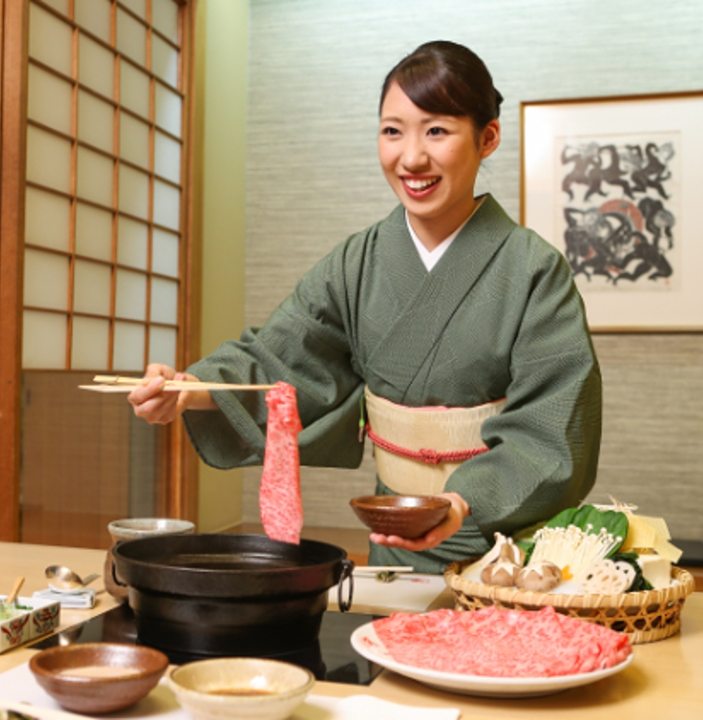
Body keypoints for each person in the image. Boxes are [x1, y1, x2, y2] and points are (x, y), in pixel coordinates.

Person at [128, 40, 602, 575]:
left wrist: (460, 501)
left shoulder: (533, 270)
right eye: (393, 130)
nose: (412, 156)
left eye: (437, 130)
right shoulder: (356, 262)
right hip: (393, 540)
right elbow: (284, 360)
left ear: (487, 137)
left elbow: (552, 428)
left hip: (501, 551)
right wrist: (191, 389)